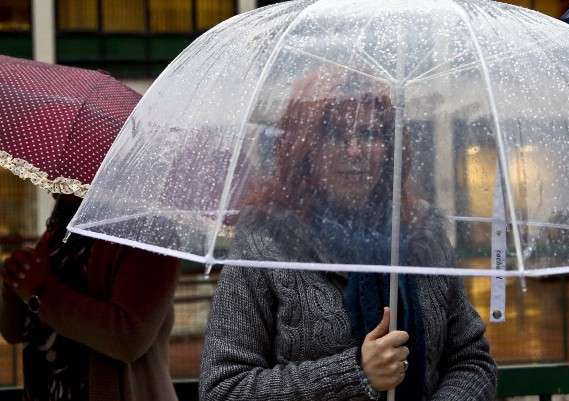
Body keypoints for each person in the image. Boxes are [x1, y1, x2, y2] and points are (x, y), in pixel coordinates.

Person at [199, 70, 497, 400]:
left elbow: (471, 361)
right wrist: (355, 373)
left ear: (390, 147)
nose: (354, 150)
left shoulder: (422, 233)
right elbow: (223, 388)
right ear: (305, 147)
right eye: (335, 135)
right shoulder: (264, 243)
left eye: (370, 134)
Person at [0, 194, 181, 401]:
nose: (51, 179)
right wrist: (16, 284)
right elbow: (15, 332)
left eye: (67, 164)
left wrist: (40, 291)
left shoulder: (151, 233)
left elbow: (128, 337)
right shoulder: (62, 226)